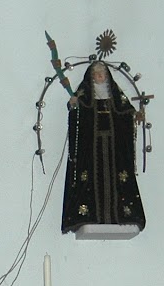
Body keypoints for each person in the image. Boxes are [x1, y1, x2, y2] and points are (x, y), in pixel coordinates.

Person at [61, 60, 145, 235]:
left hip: (113, 147)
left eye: (103, 74)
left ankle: (121, 215)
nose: (101, 77)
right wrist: (74, 104)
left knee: (118, 177)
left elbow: (125, 112)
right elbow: (76, 112)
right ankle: (89, 216)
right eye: (97, 74)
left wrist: (135, 116)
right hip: (91, 147)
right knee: (90, 178)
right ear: (92, 77)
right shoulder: (84, 94)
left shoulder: (116, 95)